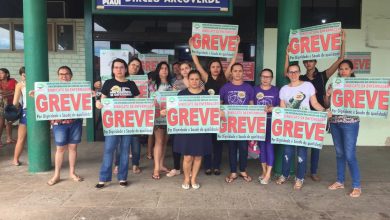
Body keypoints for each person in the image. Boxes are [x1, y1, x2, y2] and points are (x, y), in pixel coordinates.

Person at [283, 30, 346, 181]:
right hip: (302, 114)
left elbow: (341, 58)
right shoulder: (301, 77)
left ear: (315, 62)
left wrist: (342, 41)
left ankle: (314, 171)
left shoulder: (324, 75)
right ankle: (301, 171)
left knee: (316, 143)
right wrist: (287, 55)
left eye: (310, 61)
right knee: (301, 142)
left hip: (318, 112)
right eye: (305, 61)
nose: (308, 63)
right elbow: (287, 73)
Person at [189, 35, 240, 176]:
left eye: (218, 67)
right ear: (209, 68)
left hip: (221, 113)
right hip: (208, 113)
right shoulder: (206, 77)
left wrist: (236, 45)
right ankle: (207, 166)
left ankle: (216, 166)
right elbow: (197, 63)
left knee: (218, 141)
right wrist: (192, 47)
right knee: (207, 140)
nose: (216, 69)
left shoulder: (225, 77)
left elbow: (233, 61)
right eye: (213, 67)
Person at [276, 64, 329, 190]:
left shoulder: (308, 86)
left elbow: (314, 103)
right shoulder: (283, 89)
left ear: (300, 72)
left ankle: (299, 178)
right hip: (289, 125)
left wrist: (324, 110)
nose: (293, 74)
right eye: (291, 72)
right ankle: (285, 174)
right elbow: (283, 108)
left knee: (302, 153)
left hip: (304, 125)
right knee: (287, 152)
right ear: (287, 74)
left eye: (295, 72)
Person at [163, 70, 212, 189]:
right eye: (192, 79)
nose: (194, 81)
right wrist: (167, 112)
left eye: (197, 79)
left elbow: (212, 111)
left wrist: (219, 113)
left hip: (201, 130)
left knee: (198, 156)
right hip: (185, 130)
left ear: (200, 80)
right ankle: (186, 178)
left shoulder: (206, 95)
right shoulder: (182, 94)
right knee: (187, 156)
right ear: (188, 80)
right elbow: (175, 111)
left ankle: (194, 178)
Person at [95, 58, 140, 188]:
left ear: (125, 69)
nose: (119, 69)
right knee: (109, 149)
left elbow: (139, 102)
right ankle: (104, 178)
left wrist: (149, 104)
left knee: (125, 150)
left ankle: (122, 177)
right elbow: (102, 100)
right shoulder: (109, 83)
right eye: (116, 67)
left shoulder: (131, 84)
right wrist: (98, 103)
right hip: (112, 123)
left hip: (128, 123)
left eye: (121, 67)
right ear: (113, 69)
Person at [324, 60, 362, 197]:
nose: (343, 71)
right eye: (341, 69)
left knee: (350, 154)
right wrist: (328, 95)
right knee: (339, 153)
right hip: (335, 122)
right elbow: (327, 103)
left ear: (351, 70)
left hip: (351, 123)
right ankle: (340, 181)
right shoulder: (333, 83)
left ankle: (357, 185)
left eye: (346, 69)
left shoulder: (358, 85)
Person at [43, 66, 84, 186]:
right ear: (58, 76)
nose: (64, 76)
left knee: (73, 148)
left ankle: (72, 173)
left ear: (71, 75)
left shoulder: (77, 89)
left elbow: (85, 98)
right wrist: (35, 94)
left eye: (66, 74)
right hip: (59, 124)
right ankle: (57, 175)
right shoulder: (52, 89)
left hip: (75, 122)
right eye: (61, 74)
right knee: (60, 149)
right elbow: (44, 100)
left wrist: (91, 93)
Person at [220, 63, 254, 183]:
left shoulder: (249, 88)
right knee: (231, 147)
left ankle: (243, 170)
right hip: (229, 123)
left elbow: (251, 105)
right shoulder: (225, 88)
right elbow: (219, 104)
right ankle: (233, 171)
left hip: (243, 124)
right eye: (235, 71)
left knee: (244, 147)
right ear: (231, 73)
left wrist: (253, 119)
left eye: (240, 71)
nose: (238, 73)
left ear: (243, 72)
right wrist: (220, 111)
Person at [113, 57, 144, 175]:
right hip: (118, 118)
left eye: (137, 66)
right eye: (133, 65)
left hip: (133, 117)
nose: (135, 67)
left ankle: (135, 164)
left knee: (135, 141)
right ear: (128, 66)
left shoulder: (134, 82)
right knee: (120, 143)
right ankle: (118, 164)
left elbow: (138, 99)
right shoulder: (112, 80)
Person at [253, 69, 280, 184]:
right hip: (259, 123)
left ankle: (268, 174)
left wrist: (272, 108)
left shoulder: (276, 90)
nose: (265, 79)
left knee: (269, 147)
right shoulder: (255, 89)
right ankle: (264, 172)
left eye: (268, 77)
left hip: (272, 122)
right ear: (260, 77)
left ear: (271, 78)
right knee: (261, 148)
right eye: (263, 76)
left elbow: (280, 106)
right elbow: (251, 104)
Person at [149, 61, 173, 180]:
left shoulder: (172, 84)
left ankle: (162, 164)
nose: (164, 70)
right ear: (158, 71)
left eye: (166, 68)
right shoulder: (152, 85)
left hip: (169, 117)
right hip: (157, 117)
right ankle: (156, 168)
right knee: (158, 141)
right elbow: (147, 99)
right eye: (162, 68)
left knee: (164, 142)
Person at [12, 67, 27, 166]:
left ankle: (15, 160)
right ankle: (15, 159)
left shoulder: (20, 84)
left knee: (21, 138)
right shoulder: (38, 82)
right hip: (37, 111)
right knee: (21, 138)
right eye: (23, 75)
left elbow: (15, 103)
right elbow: (15, 103)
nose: (25, 77)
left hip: (26, 112)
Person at [0, 68, 17, 147]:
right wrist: (11, 92)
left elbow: (16, 91)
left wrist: (4, 93)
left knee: (9, 121)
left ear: (7, 74)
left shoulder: (13, 81)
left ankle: (9, 138)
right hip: (1, 104)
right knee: (1, 122)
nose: (0, 75)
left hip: (11, 103)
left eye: (2, 73)